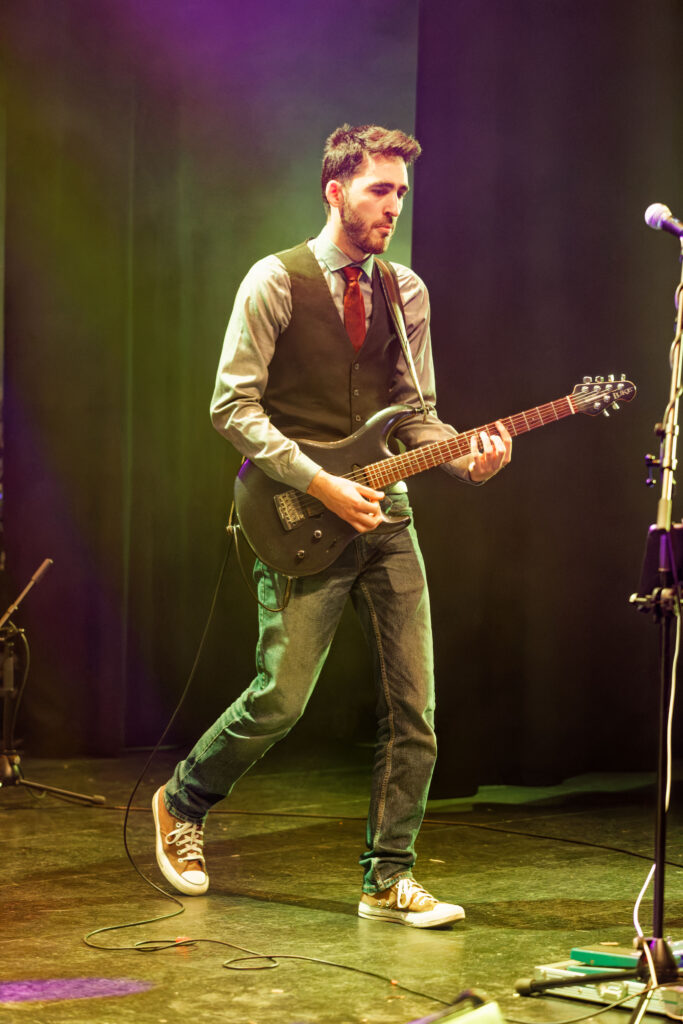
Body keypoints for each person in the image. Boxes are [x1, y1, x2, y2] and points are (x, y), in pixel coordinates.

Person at [152, 124, 511, 929]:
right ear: (334, 191)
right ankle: (183, 801)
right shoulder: (274, 281)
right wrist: (321, 482)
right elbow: (231, 407)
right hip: (295, 511)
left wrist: (466, 461)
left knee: (414, 709)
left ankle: (387, 877)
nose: (393, 206)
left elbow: (415, 417)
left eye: (400, 193)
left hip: (386, 514)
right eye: (379, 189)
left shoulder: (405, 291)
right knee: (280, 699)